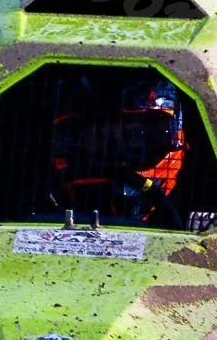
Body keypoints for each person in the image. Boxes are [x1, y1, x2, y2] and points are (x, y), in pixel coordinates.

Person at [48, 72, 188, 226]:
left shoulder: (207, 224)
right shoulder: (36, 208)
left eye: (134, 137)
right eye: (96, 140)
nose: (114, 162)